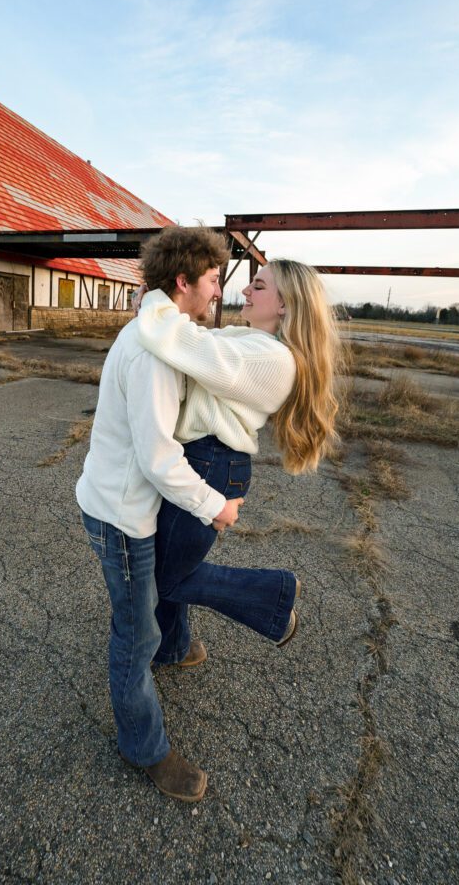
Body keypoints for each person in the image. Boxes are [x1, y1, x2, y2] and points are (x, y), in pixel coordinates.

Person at [75, 226, 244, 803]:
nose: (219, 291)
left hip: (126, 502)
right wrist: (213, 504)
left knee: (161, 589)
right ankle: (144, 749)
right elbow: (155, 458)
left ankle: (174, 650)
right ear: (183, 282)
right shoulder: (153, 351)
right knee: (134, 627)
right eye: (214, 279)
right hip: (121, 515)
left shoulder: (166, 333)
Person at [134, 257, 340, 669]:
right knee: (170, 562)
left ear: (285, 304)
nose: (244, 291)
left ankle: (272, 596)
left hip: (212, 462)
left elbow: (181, 341)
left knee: (165, 576)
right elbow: (192, 334)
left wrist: (152, 300)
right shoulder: (248, 341)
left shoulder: (271, 358)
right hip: (206, 458)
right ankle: (174, 648)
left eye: (258, 286)